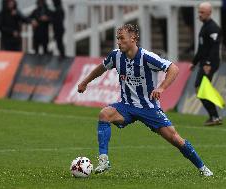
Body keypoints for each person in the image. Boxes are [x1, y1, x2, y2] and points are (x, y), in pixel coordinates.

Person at [77, 24, 213, 176]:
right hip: (126, 106)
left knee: (175, 138)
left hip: (149, 108)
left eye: (122, 38)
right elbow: (101, 68)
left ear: (133, 39)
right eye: (117, 39)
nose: (118, 42)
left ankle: (203, 168)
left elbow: (174, 68)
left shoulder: (146, 57)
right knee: (104, 114)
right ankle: (104, 160)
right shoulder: (115, 56)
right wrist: (85, 82)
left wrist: (161, 88)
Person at [191, 2, 222, 126]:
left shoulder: (213, 28)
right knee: (201, 88)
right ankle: (214, 116)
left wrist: (208, 63)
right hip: (204, 62)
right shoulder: (205, 27)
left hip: (210, 63)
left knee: (201, 88)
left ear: (209, 13)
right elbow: (201, 48)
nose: (200, 14)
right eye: (199, 12)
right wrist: (194, 62)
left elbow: (215, 48)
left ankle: (214, 116)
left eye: (202, 12)